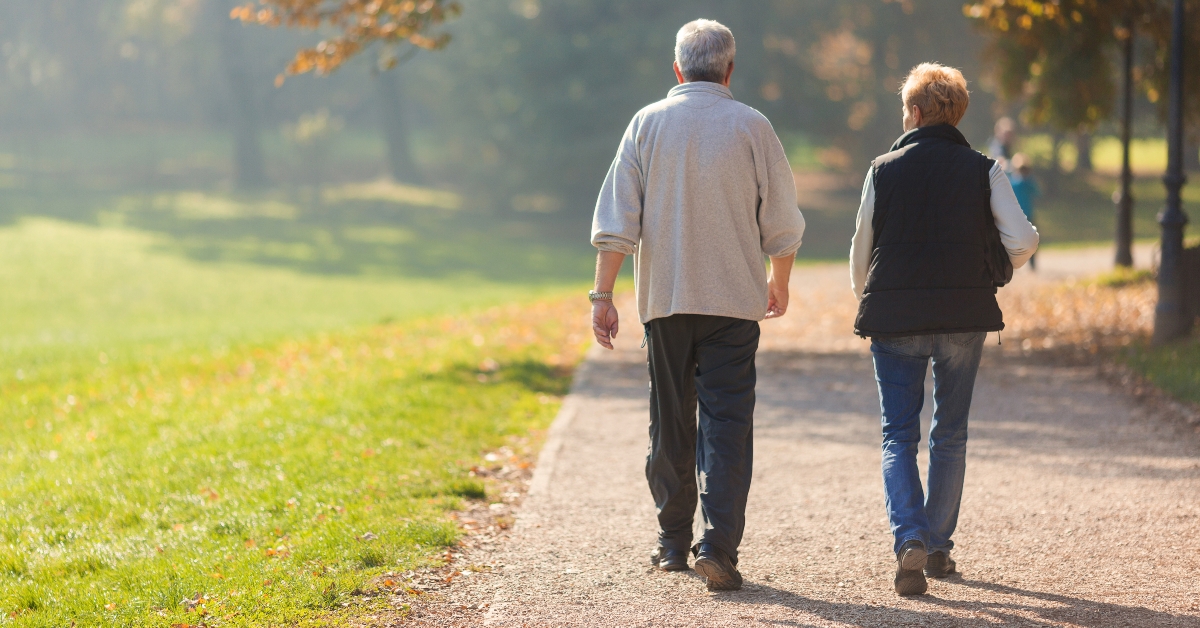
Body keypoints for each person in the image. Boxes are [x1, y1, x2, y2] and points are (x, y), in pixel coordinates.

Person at [589, 19, 806, 592]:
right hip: (734, 304)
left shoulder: (646, 124)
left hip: (665, 303)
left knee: (670, 423)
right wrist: (778, 281)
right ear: (729, 69)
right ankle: (719, 546)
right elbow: (782, 223)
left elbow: (617, 223)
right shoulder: (753, 127)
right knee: (728, 425)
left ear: (677, 68)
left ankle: (671, 542)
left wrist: (603, 295)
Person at [849, 63, 1039, 596]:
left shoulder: (881, 168)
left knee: (897, 434)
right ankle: (937, 547)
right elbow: (1022, 241)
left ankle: (909, 535)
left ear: (912, 112)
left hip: (895, 318)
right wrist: (997, 265)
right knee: (950, 433)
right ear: (957, 113)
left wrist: (871, 296)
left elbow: (861, 251)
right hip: (963, 315)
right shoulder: (984, 169)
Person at [1008, 153, 1040, 270]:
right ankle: (1031, 266)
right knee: (1030, 240)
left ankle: (1015, 265)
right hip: (1023, 214)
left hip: (1020, 215)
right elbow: (1038, 192)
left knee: (1015, 241)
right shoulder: (1025, 182)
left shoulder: (1012, 181)